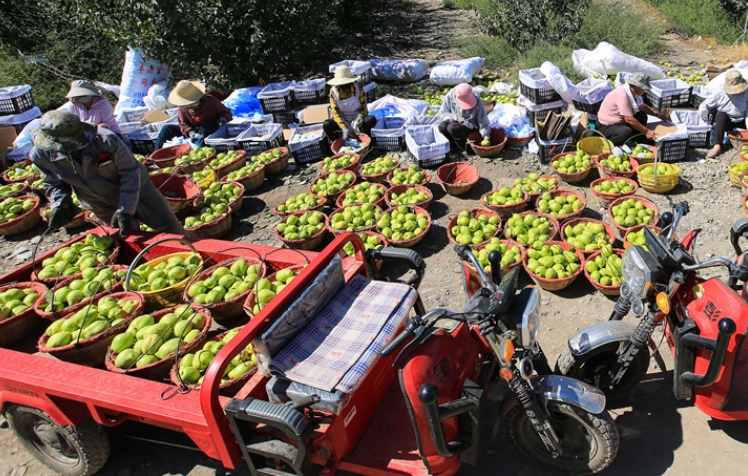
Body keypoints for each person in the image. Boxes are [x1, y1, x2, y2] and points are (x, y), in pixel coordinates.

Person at [30, 110, 184, 236]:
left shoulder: (105, 140)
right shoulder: (42, 154)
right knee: (128, 238)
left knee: (171, 229)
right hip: (99, 202)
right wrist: (60, 204)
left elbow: (130, 172)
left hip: (139, 190)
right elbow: (54, 182)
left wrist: (125, 208)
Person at [155, 80, 233, 149]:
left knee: (206, 125)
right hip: (194, 136)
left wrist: (223, 119)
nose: (188, 106)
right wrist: (190, 132)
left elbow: (226, 112)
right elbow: (183, 124)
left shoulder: (211, 101)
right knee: (167, 129)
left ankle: (207, 150)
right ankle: (155, 156)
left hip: (211, 132)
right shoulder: (183, 108)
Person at [596, 73, 665, 146]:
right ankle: (608, 145)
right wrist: (647, 131)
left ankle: (635, 141)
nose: (644, 91)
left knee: (642, 115)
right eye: (644, 89)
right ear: (637, 87)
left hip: (621, 122)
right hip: (606, 126)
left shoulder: (634, 94)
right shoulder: (623, 96)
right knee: (625, 132)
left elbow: (643, 107)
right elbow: (629, 119)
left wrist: (658, 115)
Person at [699, 69, 748, 158]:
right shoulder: (719, 92)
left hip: (742, 119)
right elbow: (705, 105)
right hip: (727, 120)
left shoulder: (746, 93)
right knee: (722, 115)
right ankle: (717, 145)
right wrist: (704, 112)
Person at [323, 66, 376, 142]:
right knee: (327, 124)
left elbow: (364, 108)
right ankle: (338, 142)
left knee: (371, 119)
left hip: (356, 118)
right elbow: (335, 113)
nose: (346, 88)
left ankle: (363, 141)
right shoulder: (333, 92)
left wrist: (360, 117)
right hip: (342, 119)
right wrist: (343, 128)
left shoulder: (358, 89)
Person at [438, 83, 490, 153]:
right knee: (442, 126)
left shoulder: (477, 101)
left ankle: (466, 148)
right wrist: (455, 117)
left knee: (452, 127)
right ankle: (453, 148)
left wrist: (486, 136)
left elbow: (483, 120)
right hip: (455, 121)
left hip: (471, 126)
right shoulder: (450, 96)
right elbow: (443, 113)